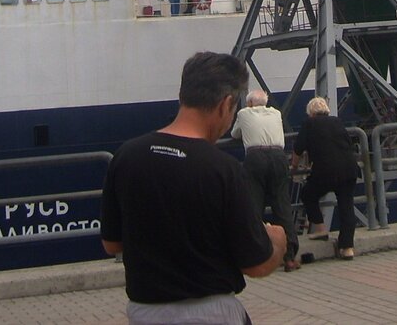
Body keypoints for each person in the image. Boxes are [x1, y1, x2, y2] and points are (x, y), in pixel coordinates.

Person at [100, 51, 285, 324]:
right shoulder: (223, 169)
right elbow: (256, 265)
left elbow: (111, 243)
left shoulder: (127, 156)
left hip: (144, 312)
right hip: (210, 313)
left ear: (183, 95)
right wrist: (276, 244)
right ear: (226, 104)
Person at [231, 90, 299, 271]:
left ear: (250, 104)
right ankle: (290, 256)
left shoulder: (243, 114)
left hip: (255, 158)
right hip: (278, 156)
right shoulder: (276, 113)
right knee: (282, 206)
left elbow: (234, 134)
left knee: (254, 206)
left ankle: (256, 254)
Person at [291, 97, 359, 259]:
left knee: (308, 194)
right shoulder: (337, 121)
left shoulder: (309, 123)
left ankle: (321, 229)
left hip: (326, 171)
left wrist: (294, 166)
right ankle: (347, 248)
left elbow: (298, 148)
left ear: (311, 113)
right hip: (349, 169)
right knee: (346, 206)